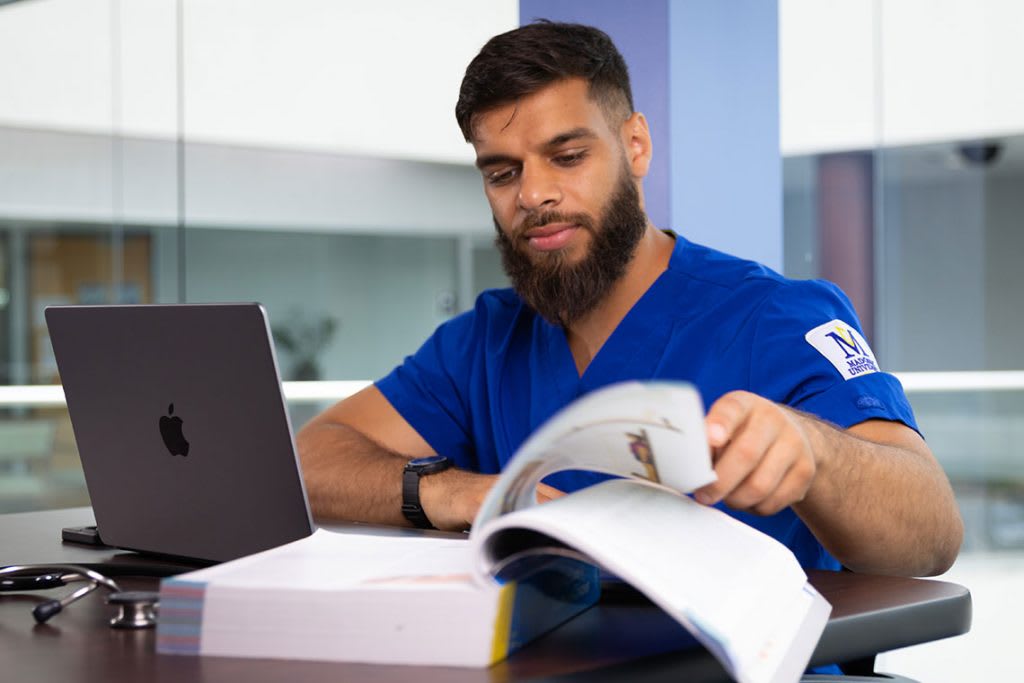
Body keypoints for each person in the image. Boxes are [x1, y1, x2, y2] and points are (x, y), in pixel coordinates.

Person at [297, 21, 962, 577]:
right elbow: (309, 459)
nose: (533, 195)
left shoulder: (777, 317)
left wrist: (816, 451)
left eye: (567, 156)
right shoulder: (484, 340)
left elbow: (932, 532)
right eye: (503, 172)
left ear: (635, 145)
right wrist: (445, 491)